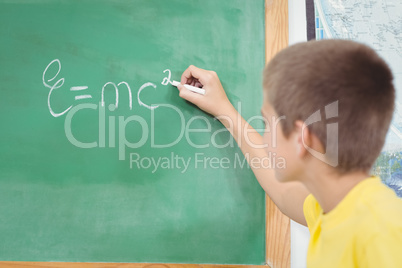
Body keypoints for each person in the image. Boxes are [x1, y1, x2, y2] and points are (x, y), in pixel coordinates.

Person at [176, 39, 402, 267]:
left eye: (266, 123)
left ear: (301, 139)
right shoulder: (332, 208)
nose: (265, 139)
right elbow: (282, 191)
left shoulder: (382, 232)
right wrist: (224, 110)